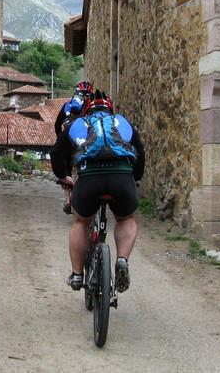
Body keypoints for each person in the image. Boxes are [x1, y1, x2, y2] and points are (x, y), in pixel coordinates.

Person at [52, 90, 144, 293]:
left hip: (89, 178)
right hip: (121, 177)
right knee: (126, 219)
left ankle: (77, 275)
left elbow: (57, 152)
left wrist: (63, 176)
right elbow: (140, 151)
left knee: (81, 222)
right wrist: (135, 178)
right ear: (110, 109)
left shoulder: (79, 124)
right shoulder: (121, 122)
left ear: (87, 110)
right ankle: (122, 259)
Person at [51, 81, 94, 214]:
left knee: (66, 169)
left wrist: (60, 139)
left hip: (67, 140)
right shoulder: (91, 107)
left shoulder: (67, 105)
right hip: (84, 141)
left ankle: (67, 200)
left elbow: (57, 124)